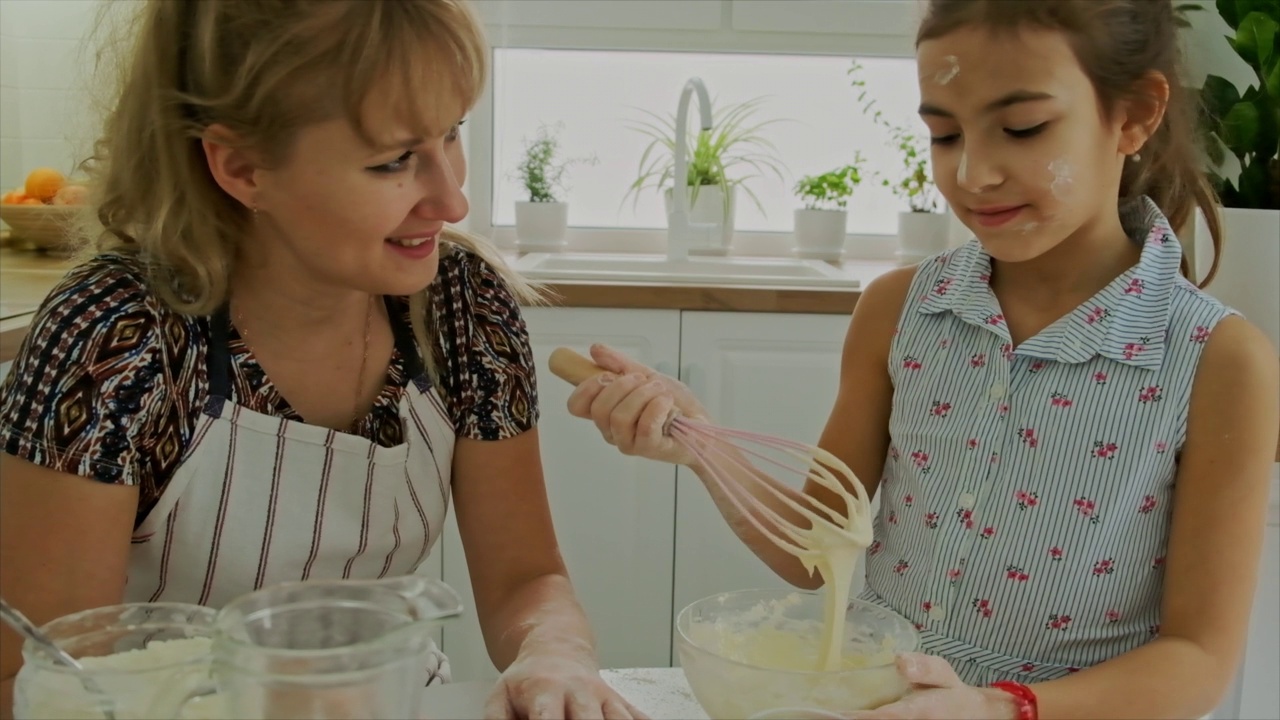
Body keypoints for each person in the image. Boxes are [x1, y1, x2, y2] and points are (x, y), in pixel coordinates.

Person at [564, 1, 1279, 718]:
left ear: (1133, 114)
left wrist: (999, 708)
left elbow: (1197, 662)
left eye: (1023, 128)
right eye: (943, 134)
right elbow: (816, 550)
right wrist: (701, 442)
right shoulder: (900, 311)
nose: (973, 173)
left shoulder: (1217, 361)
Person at [0, 2, 645, 719]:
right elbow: (33, 676)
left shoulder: (461, 305)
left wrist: (553, 650)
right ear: (242, 167)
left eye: (451, 134)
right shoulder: (116, 337)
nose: (452, 198)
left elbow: (525, 578)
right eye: (394, 160)